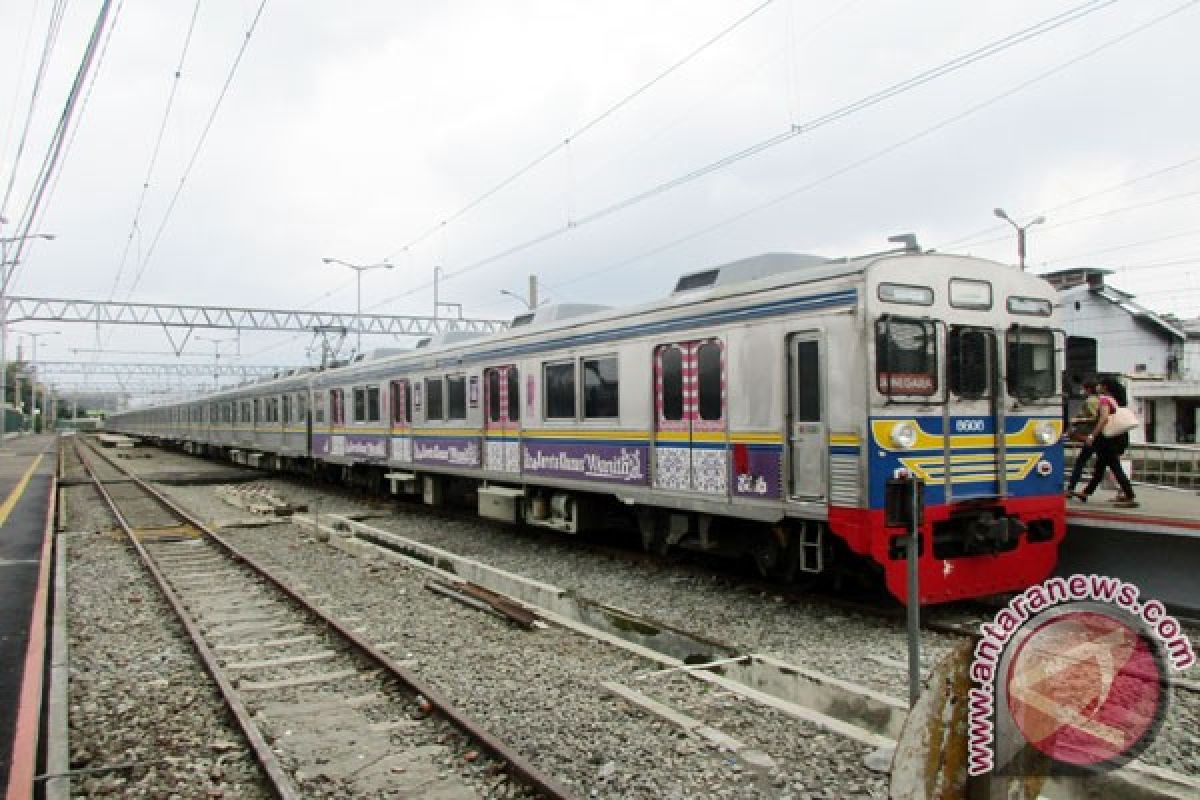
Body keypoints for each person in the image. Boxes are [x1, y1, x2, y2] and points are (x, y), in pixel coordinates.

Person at [1069, 379, 1137, 507]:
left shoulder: (1104, 399)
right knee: (1100, 467)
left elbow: (1103, 419)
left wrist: (1092, 435)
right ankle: (1086, 492)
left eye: (1100, 384)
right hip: (1113, 439)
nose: (1097, 386)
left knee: (1115, 467)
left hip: (1107, 440)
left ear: (1105, 387)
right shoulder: (1112, 399)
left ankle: (1130, 496)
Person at [1065, 381, 1100, 496]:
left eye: (1084, 389)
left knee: (1080, 462)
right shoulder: (1099, 399)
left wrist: (1078, 420)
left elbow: (1095, 417)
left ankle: (1071, 488)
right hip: (1096, 436)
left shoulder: (1091, 401)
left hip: (1090, 436)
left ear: (1088, 389)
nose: (1082, 391)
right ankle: (1081, 490)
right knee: (1106, 465)